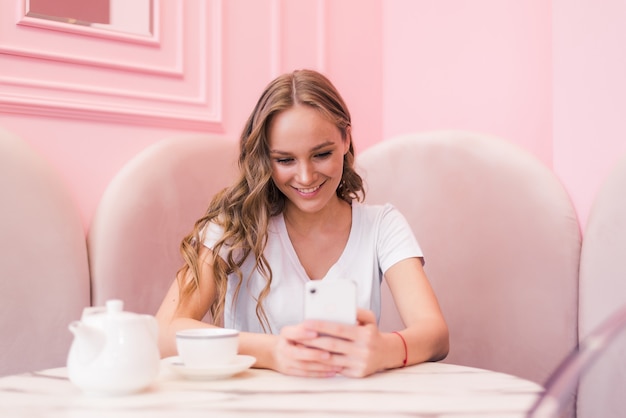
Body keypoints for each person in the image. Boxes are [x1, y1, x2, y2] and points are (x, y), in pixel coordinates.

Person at [156, 69, 449, 378]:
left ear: (346, 138)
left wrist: (384, 350)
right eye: (285, 160)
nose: (306, 177)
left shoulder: (382, 226)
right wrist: (273, 352)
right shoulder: (234, 226)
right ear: (265, 158)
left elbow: (435, 334)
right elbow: (164, 333)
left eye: (321, 154)